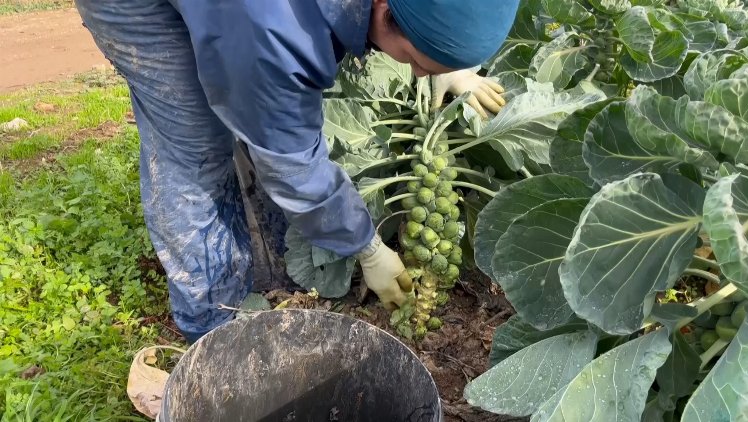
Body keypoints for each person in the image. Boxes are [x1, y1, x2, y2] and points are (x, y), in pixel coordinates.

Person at [73, 0, 520, 344]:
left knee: (255, 115)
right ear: (384, 10)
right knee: (195, 149)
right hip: (139, 8)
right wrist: (366, 248)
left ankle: (268, 260)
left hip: (239, 21)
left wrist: (450, 58)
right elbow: (292, 165)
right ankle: (211, 319)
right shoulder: (275, 34)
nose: (419, 72)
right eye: (419, 60)